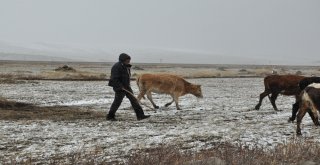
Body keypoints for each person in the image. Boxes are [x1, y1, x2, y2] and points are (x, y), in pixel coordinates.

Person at [107, 53, 150, 121]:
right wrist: (120, 86)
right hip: (119, 88)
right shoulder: (117, 66)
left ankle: (140, 115)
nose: (129, 61)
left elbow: (126, 77)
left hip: (126, 86)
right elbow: (114, 78)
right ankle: (110, 116)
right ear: (123, 59)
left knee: (134, 100)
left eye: (129, 60)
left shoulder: (125, 66)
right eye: (127, 60)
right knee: (117, 102)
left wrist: (126, 85)